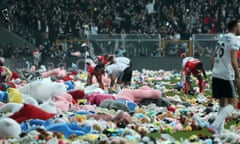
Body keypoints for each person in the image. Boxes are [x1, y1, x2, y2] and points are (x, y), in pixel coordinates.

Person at [209, 20, 240, 134]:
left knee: (223, 103)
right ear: (235, 27)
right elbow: (233, 60)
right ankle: (215, 125)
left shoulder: (221, 38)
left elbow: (212, 57)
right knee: (234, 103)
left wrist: (214, 71)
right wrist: (238, 76)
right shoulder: (234, 40)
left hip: (216, 74)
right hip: (226, 75)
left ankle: (220, 131)